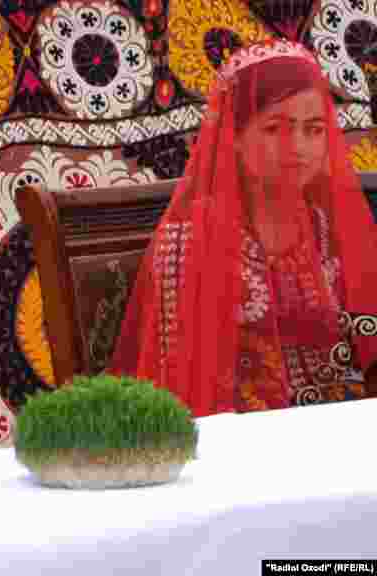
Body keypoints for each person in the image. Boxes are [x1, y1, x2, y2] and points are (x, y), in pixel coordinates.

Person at [111, 39, 377, 416]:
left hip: (334, 428)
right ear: (232, 135)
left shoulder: (330, 233)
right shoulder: (188, 245)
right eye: (274, 128)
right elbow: (181, 386)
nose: (298, 146)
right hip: (234, 437)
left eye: (314, 129)